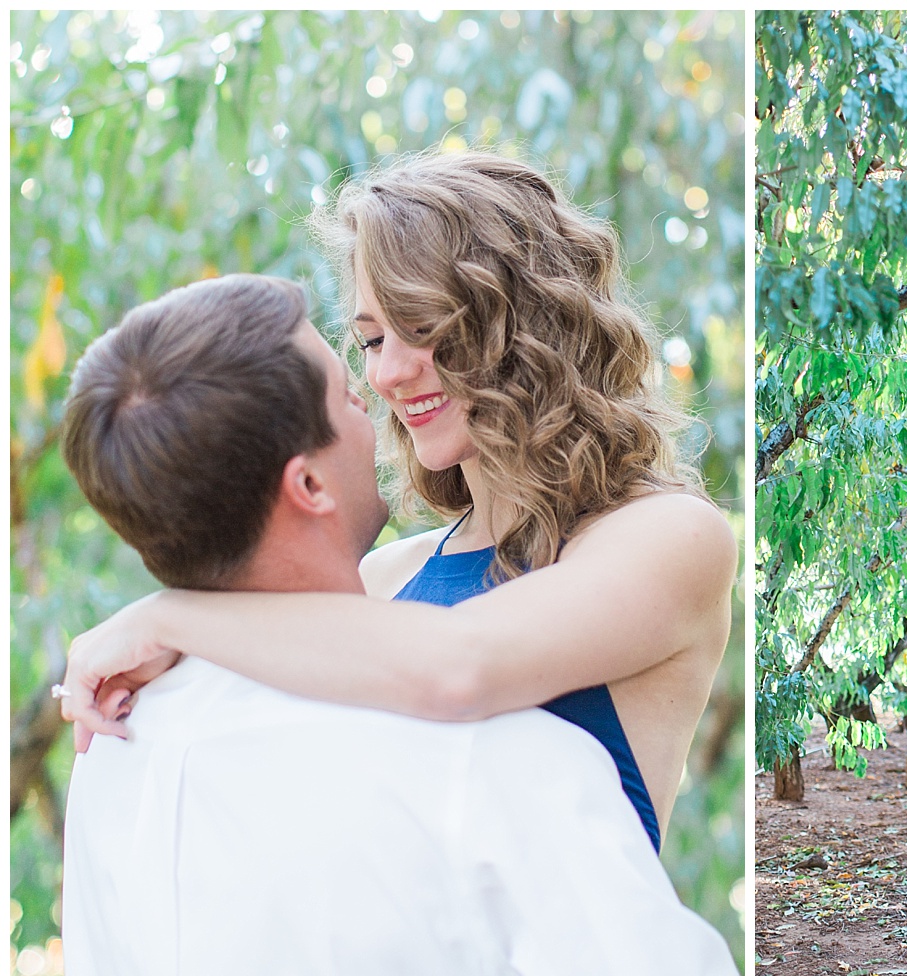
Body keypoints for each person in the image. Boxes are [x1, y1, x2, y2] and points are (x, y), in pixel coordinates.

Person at [58, 274, 744, 976]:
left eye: (405, 335)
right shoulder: (502, 760)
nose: (377, 386)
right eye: (356, 376)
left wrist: (174, 614)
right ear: (308, 487)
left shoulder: (112, 760)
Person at [59, 150, 738, 855]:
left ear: (526, 317)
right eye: (372, 339)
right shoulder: (386, 577)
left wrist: (170, 615)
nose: (386, 372)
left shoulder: (671, 537)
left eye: (423, 327)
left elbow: (459, 668)